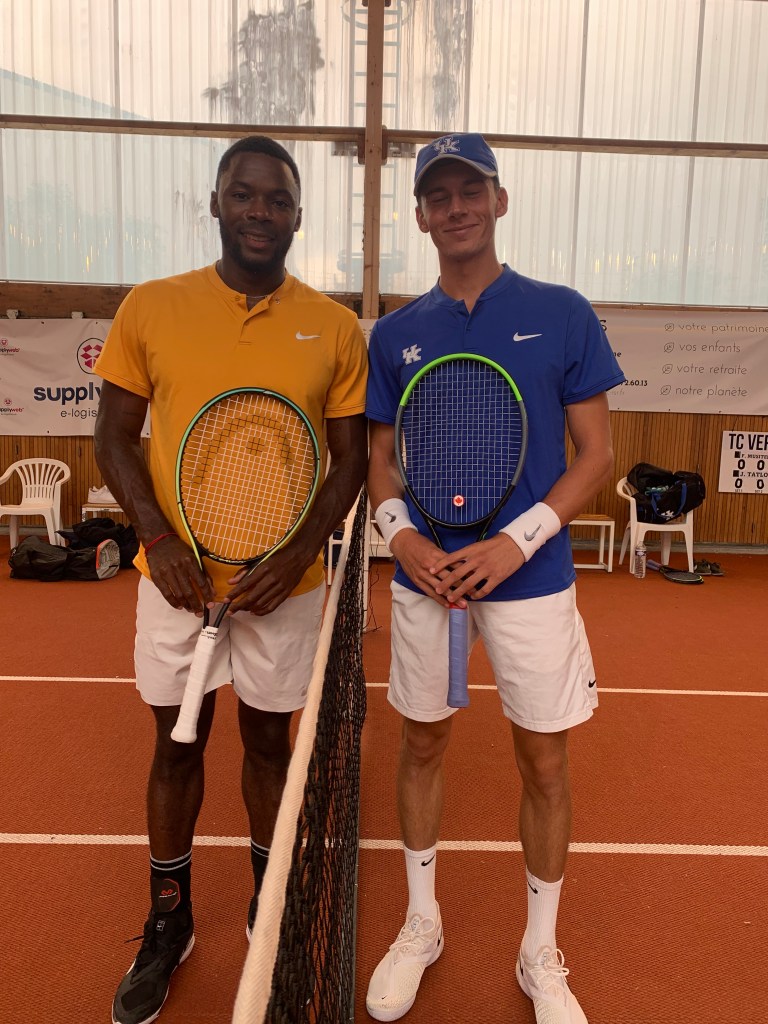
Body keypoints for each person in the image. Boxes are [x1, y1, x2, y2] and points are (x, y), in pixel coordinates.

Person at [94, 135, 368, 1024]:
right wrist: (157, 537)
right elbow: (112, 438)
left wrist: (297, 555)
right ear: (215, 204)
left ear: (298, 216)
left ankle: (269, 900)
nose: (260, 211)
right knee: (175, 747)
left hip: (282, 590)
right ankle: (168, 922)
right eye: (243, 194)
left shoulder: (333, 327)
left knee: (268, 746)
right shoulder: (151, 307)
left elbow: (350, 460)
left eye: (277, 199)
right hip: (172, 583)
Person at [364, 133, 625, 1024]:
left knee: (544, 761)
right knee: (421, 745)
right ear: (421, 216)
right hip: (427, 582)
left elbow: (596, 455)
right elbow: (381, 462)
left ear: (499, 201)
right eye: (438, 196)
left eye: (470, 190)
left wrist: (516, 542)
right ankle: (423, 923)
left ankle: (538, 951)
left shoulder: (563, 313)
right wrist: (401, 539)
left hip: (533, 581)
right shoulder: (396, 333)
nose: (456, 208)